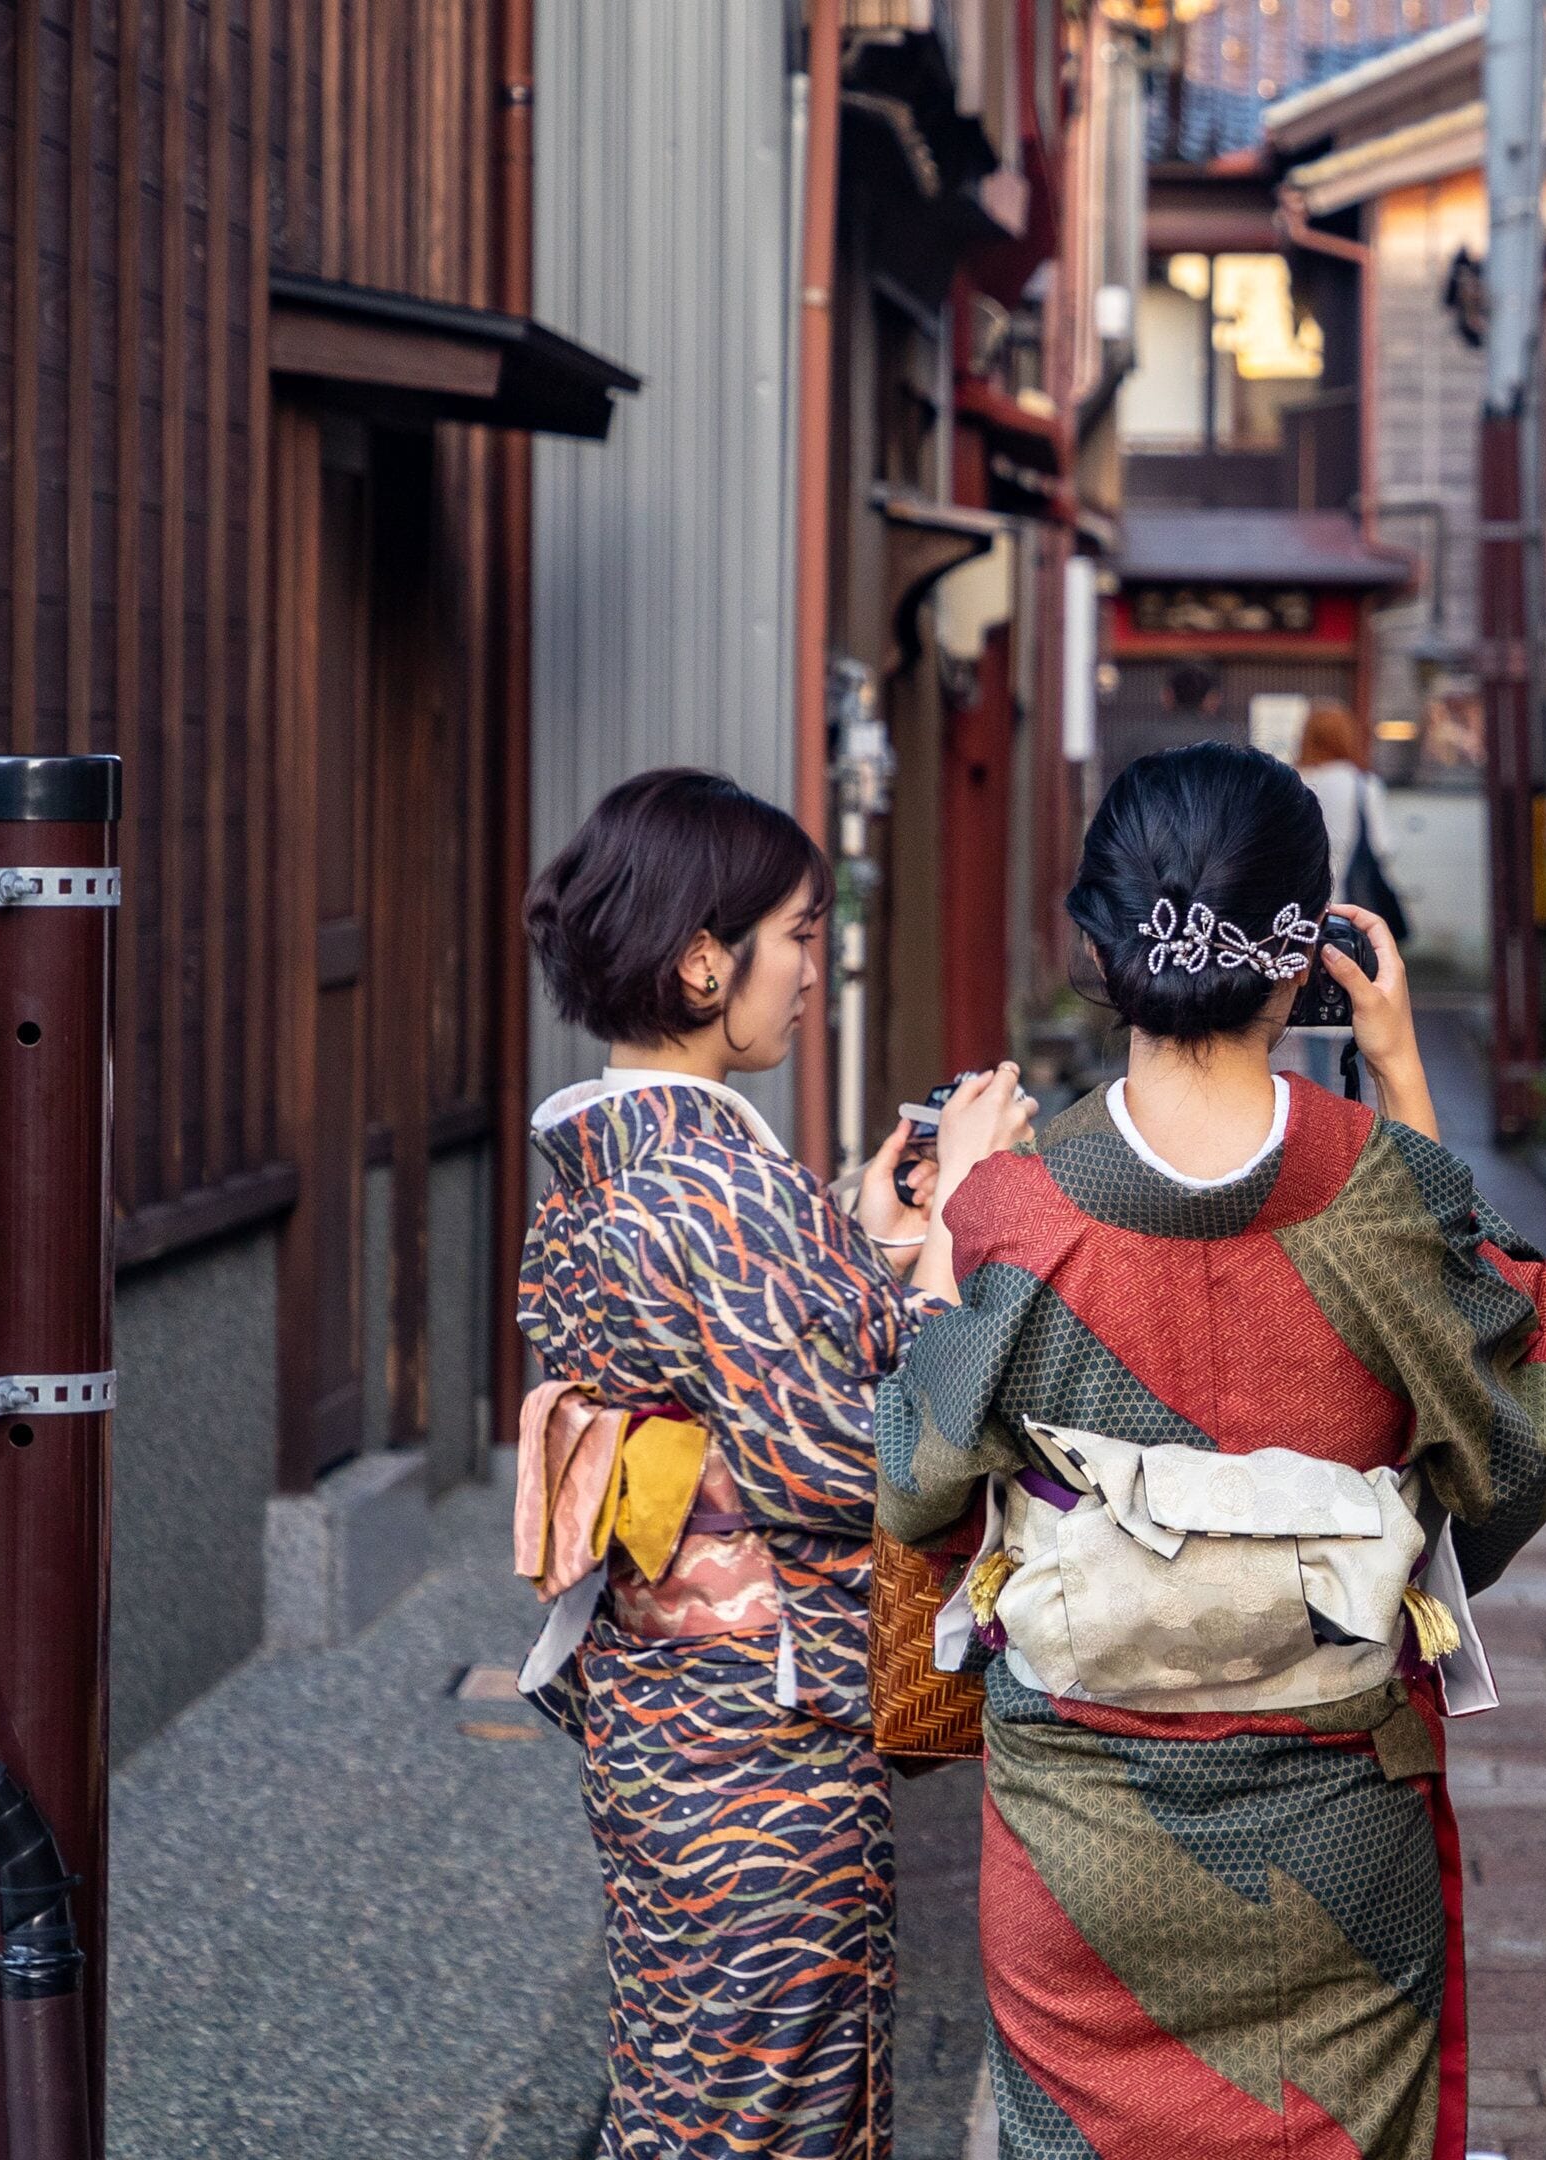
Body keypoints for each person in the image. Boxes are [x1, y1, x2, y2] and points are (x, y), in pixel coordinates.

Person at [876, 742, 1546, 2160]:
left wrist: (947, 1222)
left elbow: (912, 1481)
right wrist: (1397, 1070)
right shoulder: (1384, 1190)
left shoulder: (1021, 1211)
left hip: (1081, 1840)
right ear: (1304, 958)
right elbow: (1507, 1430)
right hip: (1338, 1824)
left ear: (1098, 944)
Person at [515, 767, 1032, 2160]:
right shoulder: (718, 1186)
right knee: (771, 2100)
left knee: (686, 2081)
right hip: (760, 1739)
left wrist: (856, 1239)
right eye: (799, 934)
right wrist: (967, 1215)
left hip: (655, 1710)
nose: (815, 966)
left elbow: (742, 1368)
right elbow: (845, 1459)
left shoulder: (607, 1165)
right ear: (703, 962)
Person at [1293, 699, 1394, 898]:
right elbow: (1383, 846)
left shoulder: (1291, 780)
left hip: (1295, 899)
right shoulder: (1363, 783)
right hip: (1348, 899)